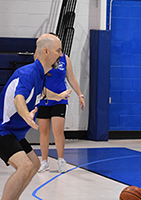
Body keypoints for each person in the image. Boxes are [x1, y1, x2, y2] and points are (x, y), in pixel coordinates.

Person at [0, 33, 71, 200]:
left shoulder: (41, 74)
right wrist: (26, 115)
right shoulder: (27, 73)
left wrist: (58, 96)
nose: (61, 55)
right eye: (58, 51)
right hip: (3, 131)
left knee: (34, 164)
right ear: (46, 52)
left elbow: (42, 93)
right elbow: (19, 99)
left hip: (15, 133)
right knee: (25, 166)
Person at [37, 34, 85, 173]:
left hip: (61, 99)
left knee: (58, 131)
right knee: (44, 132)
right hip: (44, 98)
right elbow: (38, 78)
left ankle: (61, 159)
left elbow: (71, 78)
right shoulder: (41, 57)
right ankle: (44, 161)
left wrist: (80, 95)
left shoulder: (65, 59)